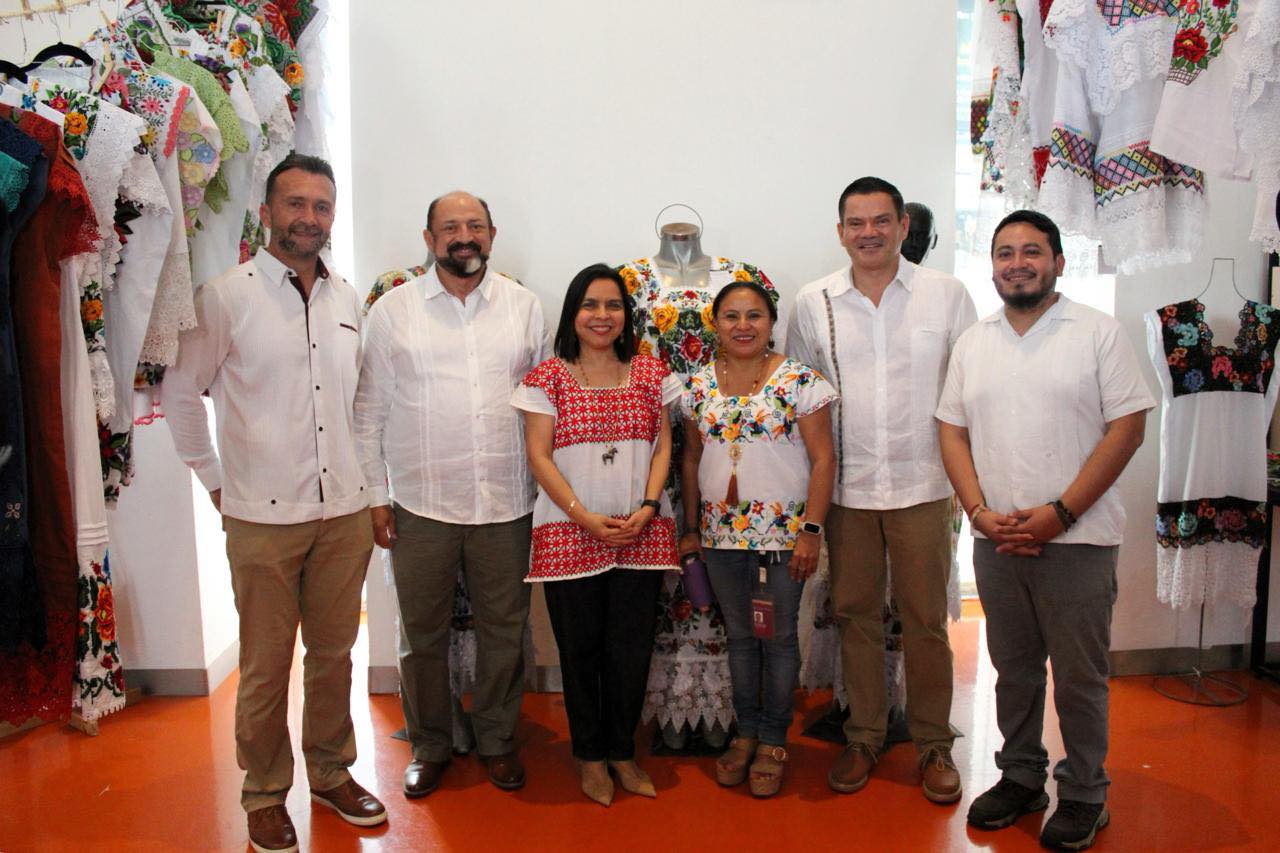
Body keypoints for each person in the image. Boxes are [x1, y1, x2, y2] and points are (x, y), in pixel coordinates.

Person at [163, 154, 386, 853]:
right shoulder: (226, 297)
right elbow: (180, 393)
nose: (308, 217)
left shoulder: (347, 300)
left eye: (321, 206)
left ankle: (330, 772)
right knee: (264, 665)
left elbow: (362, 404)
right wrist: (214, 481)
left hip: (343, 512)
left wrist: (370, 488)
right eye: (295, 203)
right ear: (266, 212)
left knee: (334, 655)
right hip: (260, 517)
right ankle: (263, 793)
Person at [937, 210, 1153, 851]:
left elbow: (1128, 427)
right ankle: (1022, 776)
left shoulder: (1097, 333)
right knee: (1015, 670)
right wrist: (977, 511)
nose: (1017, 263)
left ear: (1058, 261)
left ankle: (1085, 792)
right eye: (1004, 252)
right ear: (992, 266)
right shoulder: (974, 342)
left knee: (1080, 677)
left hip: (1078, 541)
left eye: (1031, 251)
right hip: (997, 539)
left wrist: (1061, 513)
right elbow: (951, 429)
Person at [787, 176, 976, 803]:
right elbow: (803, 398)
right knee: (856, 617)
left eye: (881, 221)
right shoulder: (813, 301)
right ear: (840, 231)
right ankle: (864, 735)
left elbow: (968, 390)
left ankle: (933, 744)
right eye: (856, 223)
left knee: (926, 621)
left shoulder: (946, 295)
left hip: (924, 485)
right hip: (848, 490)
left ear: (902, 226)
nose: (869, 233)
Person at [353, 191, 548, 798]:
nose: (464, 236)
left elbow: (545, 404)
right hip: (420, 503)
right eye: (450, 227)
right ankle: (430, 744)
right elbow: (367, 412)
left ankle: (497, 741)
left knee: (504, 631)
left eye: (475, 225)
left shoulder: (524, 307)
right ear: (429, 238)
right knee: (421, 634)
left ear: (492, 233)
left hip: (507, 501)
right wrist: (376, 497)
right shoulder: (393, 311)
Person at [513, 264, 679, 806]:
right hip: (569, 533)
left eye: (612, 305)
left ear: (626, 315)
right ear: (572, 314)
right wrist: (583, 517)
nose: (602, 316)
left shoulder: (651, 373)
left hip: (641, 533)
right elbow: (539, 456)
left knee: (631, 651)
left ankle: (622, 753)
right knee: (579, 651)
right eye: (590, 305)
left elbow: (662, 446)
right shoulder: (546, 379)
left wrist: (649, 507)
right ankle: (589, 756)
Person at [680, 280, 836, 798]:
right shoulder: (698, 385)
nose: (743, 325)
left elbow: (824, 459)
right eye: (731, 316)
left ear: (771, 323)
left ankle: (773, 739)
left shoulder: (801, 381)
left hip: (784, 539)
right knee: (742, 638)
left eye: (754, 316)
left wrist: (811, 531)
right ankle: (746, 732)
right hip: (721, 538)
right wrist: (691, 529)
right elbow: (691, 459)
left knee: (779, 637)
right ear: (716, 324)